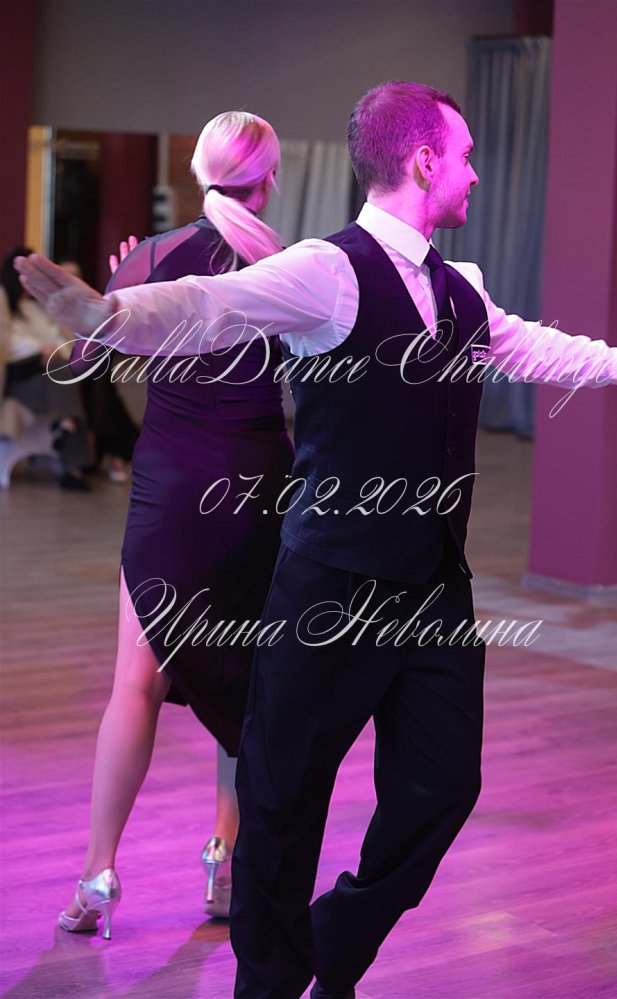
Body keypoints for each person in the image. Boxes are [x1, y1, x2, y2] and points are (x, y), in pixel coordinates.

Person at [16, 81, 617, 997]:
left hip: (432, 589)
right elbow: (215, 303)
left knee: (443, 787)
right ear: (424, 163)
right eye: (466, 156)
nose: (476, 172)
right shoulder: (328, 270)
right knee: (282, 802)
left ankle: (336, 937)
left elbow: (534, 347)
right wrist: (112, 317)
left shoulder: (461, 290)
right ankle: (270, 984)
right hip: (330, 581)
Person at [50, 111, 293, 939]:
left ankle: (98, 871)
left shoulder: (153, 257)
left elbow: (85, 358)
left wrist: (117, 295)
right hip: (256, 486)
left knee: (136, 682)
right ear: (270, 180)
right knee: (243, 683)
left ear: (198, 174)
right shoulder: (289, 266)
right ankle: (224, 858)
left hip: (175, 485)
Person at [0, 246, 92, 490]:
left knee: (67, 369)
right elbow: (7, 343)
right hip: (21, 374)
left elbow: (58, 340)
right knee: (62, 372)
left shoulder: (35, 308)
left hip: (48, 370)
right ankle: (73, 460)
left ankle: (67, 426)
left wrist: (52, 350)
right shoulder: (4, 304)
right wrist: (41, 348)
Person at [59, 258, 139, 484]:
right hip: (57, 367)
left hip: (77, 364)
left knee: (98, 379)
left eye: (76, 275)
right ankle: (119, 451)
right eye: (66, 274)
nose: (72, 279)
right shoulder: (50, 306)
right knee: (99, 383)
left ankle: (111, 450)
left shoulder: (88, 305)